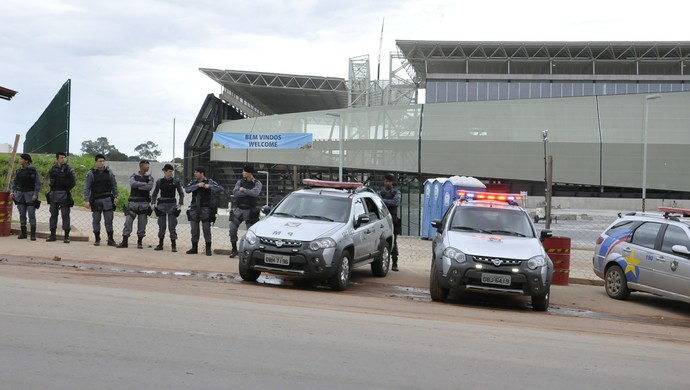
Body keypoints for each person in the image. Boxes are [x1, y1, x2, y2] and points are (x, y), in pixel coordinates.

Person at [185, 166, 223, 256]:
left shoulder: (209, 181)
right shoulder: (193, 182)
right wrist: (197, 185)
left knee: (206, 229)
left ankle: (208, 249)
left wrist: (208, 186)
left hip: (205, 208)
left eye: (196, 172)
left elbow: (220, 188)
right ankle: (194, 248)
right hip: (194, 208)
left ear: (202, 173)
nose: (195, 174)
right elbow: (187, 189)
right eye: (195, 172)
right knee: (194, 229)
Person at [117, 160, 154, 249]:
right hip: (133, 204)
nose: (148, 167)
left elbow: (149, 187)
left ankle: (139, 242)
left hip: (144, 204)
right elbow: (132, 184)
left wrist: (138, 185)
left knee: (142, 224)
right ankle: (124, 241)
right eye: (146, 165)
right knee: (128, 222)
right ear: (141, 166)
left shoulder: (150, 178)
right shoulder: (133, 176)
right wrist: (143, 184)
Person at [84, 154, 119, 246]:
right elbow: (86, 187)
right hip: (96, 199)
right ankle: (97, 239)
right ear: (96, 162)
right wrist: (86, 200)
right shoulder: (91, 173)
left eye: (103, 161)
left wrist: (116, 196)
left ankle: (110, 239)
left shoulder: (109, 172)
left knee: (109, 220)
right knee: (96, 220)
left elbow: (114, 185)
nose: (102, 163)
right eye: (100, 161)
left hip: (107, 198)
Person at [228, 164, 262, 258]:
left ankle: (249, 252)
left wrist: (243, 190)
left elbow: (255, 193)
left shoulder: (257, 183)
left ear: (249, 173)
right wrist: (247, 192)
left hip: (250, 211)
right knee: (232, 229)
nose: (242, 173)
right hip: (239, 209)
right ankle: (234, 250)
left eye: (244, 171)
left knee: (250, 233)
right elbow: (235, 193)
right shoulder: (240, 182)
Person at [151, 163, 184, 252]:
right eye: (169, 171)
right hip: (162, 205)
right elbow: (154, 193)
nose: (171, 173)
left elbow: (181, 193)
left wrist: (180, 204)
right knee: (161, 225)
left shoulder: (175, 181)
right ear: (164, 171)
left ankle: (173, 245)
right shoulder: (160, 181)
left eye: (171, 171)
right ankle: (160, 244)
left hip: (172, 205)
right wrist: (153, 203)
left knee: (172, 226)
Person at [46, 152, 76, 243]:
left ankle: (66, 236)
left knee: (65, 216)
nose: (63, 159)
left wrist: (66, 189)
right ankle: (52, 235)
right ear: (57, 159)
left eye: (64, 157)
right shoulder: (52, 169)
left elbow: (73, 182)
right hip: (54, 193)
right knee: (53, 215)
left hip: (64, 194)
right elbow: (49, 180)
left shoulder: (69, 169)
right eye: (61, 157)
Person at [10, 153, 41, 241]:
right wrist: (12, 192)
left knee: (31, 214)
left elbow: (38, 183)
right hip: (20, 195)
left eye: (21, 159)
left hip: (30, 194)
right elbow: (15, 183)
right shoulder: (18, 171)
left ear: (26, 161)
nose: (20, 160)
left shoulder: (34, 170)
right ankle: (23, 233)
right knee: (22, 214)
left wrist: (35, 194)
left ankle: (32, 234)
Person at [380, 173, 402, 271]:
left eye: (389, 181)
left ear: (392, 182)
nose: (387, 183)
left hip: (393, 220)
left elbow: (395, 202)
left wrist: (383, 201)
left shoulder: (396, 193)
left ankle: (395, 263)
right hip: (382, 219)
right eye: (386, 181)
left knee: (393, 242)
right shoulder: (380, 192)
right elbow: (377, 201)